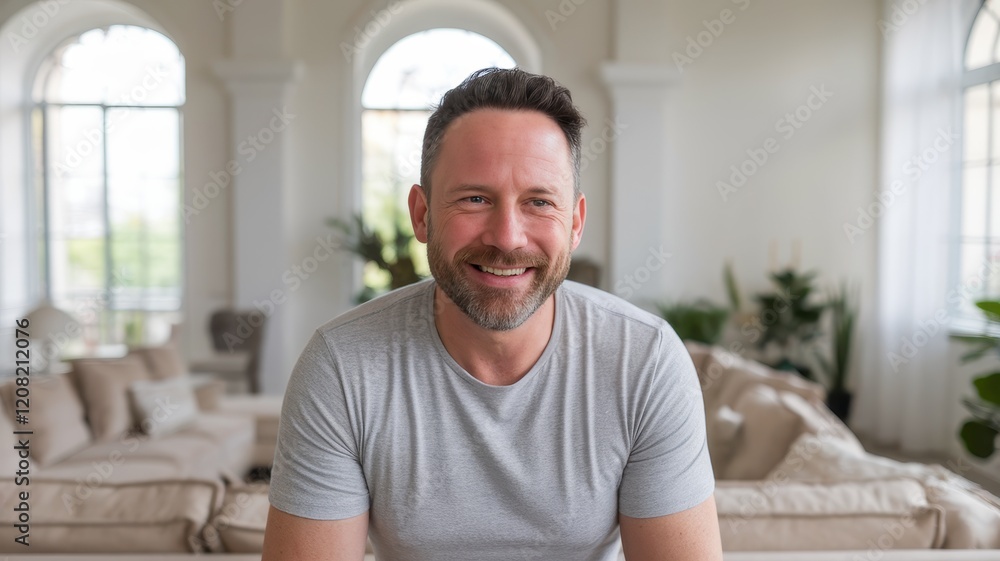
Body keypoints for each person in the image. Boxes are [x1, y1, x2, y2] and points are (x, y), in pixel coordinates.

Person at [261, 67, 722, 561]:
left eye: (539, 202)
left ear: (574, 223)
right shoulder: (342, 366)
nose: (507, 237)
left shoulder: (645, 362)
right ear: (422, 214)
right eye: (475, 199)